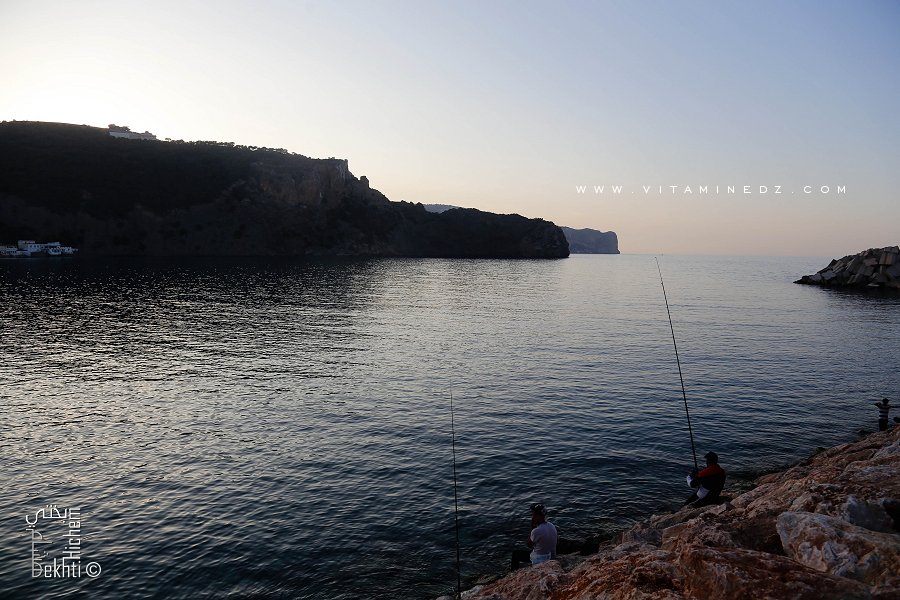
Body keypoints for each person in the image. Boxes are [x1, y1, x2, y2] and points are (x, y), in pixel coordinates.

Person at [510, 503, 558, 570]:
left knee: (516, 554)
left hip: (540, 560)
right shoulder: (552, 526)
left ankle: (513, 574)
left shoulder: (537, 531)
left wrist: (532, 527)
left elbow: (529, 544)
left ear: (539, 516)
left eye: (534, 514)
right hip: (552, 557)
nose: (533, 516)